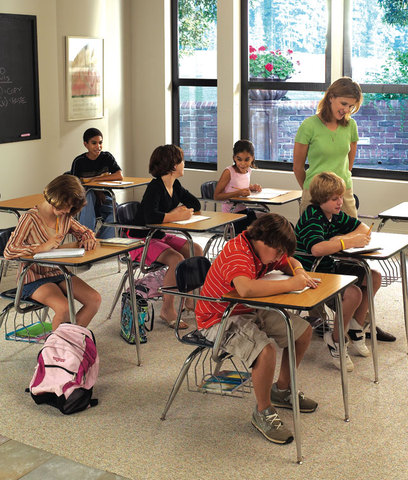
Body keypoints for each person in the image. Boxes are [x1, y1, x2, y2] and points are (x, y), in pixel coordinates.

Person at [195, 213, 319, 445]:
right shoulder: (238, 252)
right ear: (262, 241)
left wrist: (300, 272)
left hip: (248, 310)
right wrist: (292, 283)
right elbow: (246, 289)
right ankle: (262, 411)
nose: (280, 257)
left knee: (302, 332)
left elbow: (291, 261)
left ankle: (282, 390)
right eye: (278, 252)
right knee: (265, 350)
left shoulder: (266, 249)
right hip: (219, 318)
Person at [295, 172, 383, 371]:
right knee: (354, 293)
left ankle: (355, 328)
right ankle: (335, 339)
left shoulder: (333, 214)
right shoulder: (312, 217)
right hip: (310, 274)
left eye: (341, 197)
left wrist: (337, 241)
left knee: (373, 276)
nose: (340, 202)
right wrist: (346, 241)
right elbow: (316, 249)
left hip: (328, 267)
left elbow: (361, 228)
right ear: (321, 199)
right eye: (335, 199)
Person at [4, 174, 102, 331]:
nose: (68, 210)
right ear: (55, 198)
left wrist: (88, 238)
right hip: (32, 278)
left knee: (94, 299)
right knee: (64, 308)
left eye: (71, 207)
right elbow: (9, 250)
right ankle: (56, 352)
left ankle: (69, 344)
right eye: (66, 205)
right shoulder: (29, 218)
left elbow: (85, 232)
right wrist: (40, 247)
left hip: (58, 272)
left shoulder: (64, 217)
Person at [126, 144, 203, 329]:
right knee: (176, 259)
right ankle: (167, 309)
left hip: (158, 235)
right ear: (173, 165)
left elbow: (195, 203)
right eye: (182, 161)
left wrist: (177, 211)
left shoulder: (174, 185)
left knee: (196, 249)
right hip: (139, 240)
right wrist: (175, 215)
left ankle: (190, 299)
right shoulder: (155, 187)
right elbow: (150, 217)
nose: (184, 164)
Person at [293, 76, 362, 218]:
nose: (346, 110)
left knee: (353, 236)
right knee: (314, 238)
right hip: (314, 194)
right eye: (343, 104)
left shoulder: (351, 126)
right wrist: (315, 190)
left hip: (343, 193)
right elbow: (297, 168)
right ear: (331, 97)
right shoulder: (308, 126)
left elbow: (349, 164)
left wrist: (338, 187)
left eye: (351, 106)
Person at [71, 127, 123, 239]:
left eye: (100, 143)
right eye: (94, 143)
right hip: (85, 201)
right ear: (86, 144)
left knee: (118, 212)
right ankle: (87, 237)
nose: (98, 146)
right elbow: (74, 185)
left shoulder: (107, 157)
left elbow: (119, 175)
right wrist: (96, 191)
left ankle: (99, 241)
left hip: (105, 198)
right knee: (88, 194)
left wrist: (95, 180)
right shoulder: (79, 161)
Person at [213, 139, 263, 234]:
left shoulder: (248, 171)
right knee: (257, 231)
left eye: (247, 159)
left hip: (243, 210)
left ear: (252, 158)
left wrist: (252, 188)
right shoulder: (229, 172)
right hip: (231, 215)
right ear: (234, 158)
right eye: (239, 159)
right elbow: (217, 196)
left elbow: (241, 186)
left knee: (268, 220)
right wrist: (238, 193)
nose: (243, 163)